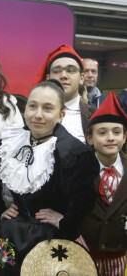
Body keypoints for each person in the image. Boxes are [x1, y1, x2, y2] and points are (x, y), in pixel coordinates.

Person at [0, 79, 99, 275]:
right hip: (10, 236)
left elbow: (85, 200)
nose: (37, 115)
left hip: (52, 239)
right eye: (33, 106)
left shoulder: (75, 153)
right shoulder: (8, 144)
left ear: (61, 114)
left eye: (47, 108)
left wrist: (64, 221)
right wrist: (1, 212)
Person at [81, 91, 127, 276]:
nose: (110, 137)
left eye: (117, 132)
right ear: (90, 138)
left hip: (120, 255)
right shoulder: (78, 170)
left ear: (125, 137)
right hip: (84, 254)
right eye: (102, 132)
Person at [33, 44, 96, 144]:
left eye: (71, 71)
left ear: (82, 78)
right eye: (57, 71)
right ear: (48, 78)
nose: (63, 76)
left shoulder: (94, 116)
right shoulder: (32, 114)